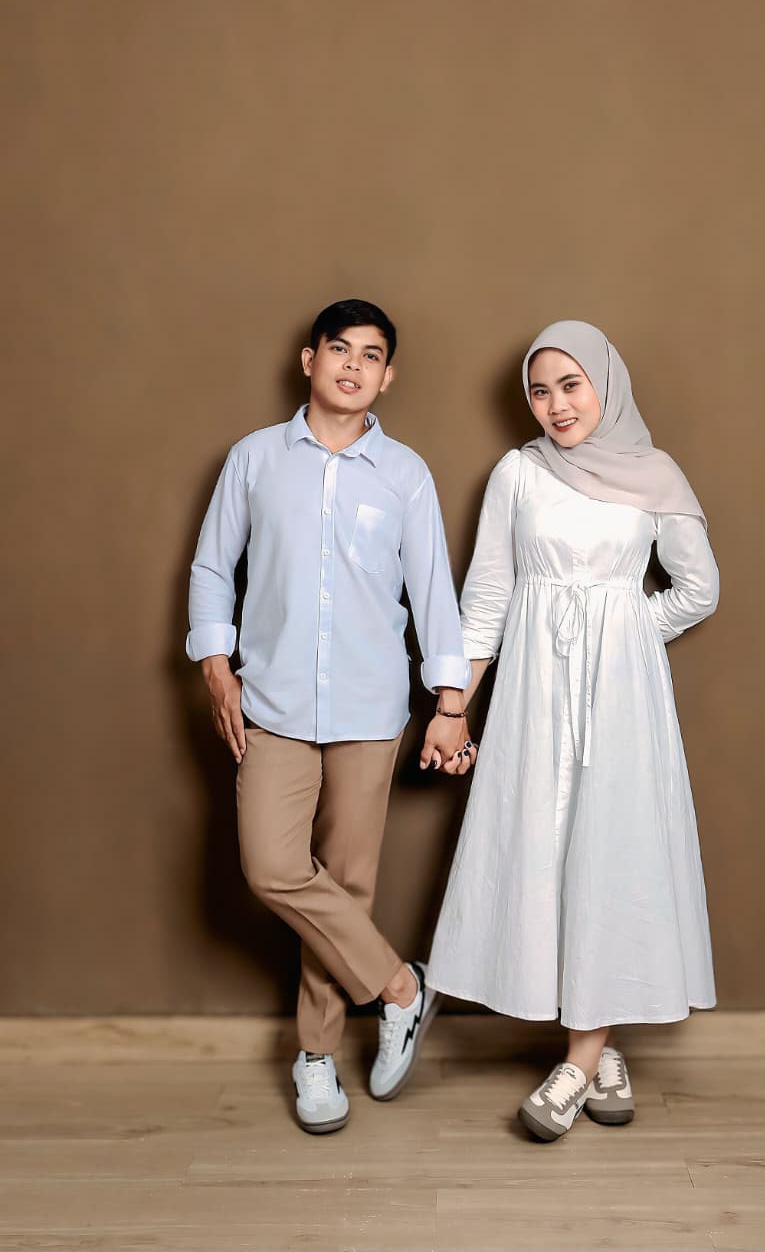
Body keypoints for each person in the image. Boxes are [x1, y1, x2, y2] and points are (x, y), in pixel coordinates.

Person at [426, 320, 719, 1142]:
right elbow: (487, 598)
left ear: (605, 385)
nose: (556, 405)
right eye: (540, 390)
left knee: (612, 850)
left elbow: (698, 588)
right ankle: (601, 1048)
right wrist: (453, 708)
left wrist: (622, 632)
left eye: (571, 385)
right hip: (533, 687)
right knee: (547, 849)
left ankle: (576, 1065)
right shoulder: (518, 474)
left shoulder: (656, 474)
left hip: (621, 693)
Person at [186, 299, 472, 1134]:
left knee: (345, 887)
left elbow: (434, 594)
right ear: (309, 360)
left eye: (370, 354)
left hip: (370, 708)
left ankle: (316, 1055)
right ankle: (401, 987)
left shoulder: (405, 474)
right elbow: (213, 568)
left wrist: (449, 703)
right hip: (272, 703)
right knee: (272, 867)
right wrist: (215, 665)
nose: (353, 365)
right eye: (339, 349)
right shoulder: (254, 459)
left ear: (388, 376)